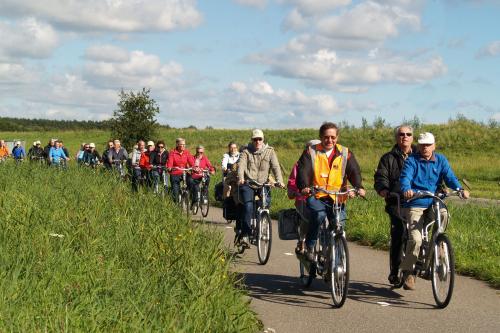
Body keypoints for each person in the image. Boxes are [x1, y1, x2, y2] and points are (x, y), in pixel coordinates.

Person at [399, 132, 469, 290]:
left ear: (434, 146)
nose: (425, 148)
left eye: (428, 144)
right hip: (415, 202)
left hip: (434, 201)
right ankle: (409, 272)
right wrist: (407, 189)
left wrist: (459, 189)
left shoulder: (441, 160)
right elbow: (405, 178)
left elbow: (449, 177)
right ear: (419, 146)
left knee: (444, 214)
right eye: (423, 145)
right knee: (416, 239)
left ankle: (438, 244)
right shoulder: (412, 161)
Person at [296, 122, 366, 262]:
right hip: (317, 195)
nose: (330, 140)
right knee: (319, 215)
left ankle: (331, 255)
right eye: (326, 137)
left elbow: (354, 171)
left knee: (338, 224)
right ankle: (310, 245)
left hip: (337, 197)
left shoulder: (345, 152)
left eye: (333, 137)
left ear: (337, 137)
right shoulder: (311, 151)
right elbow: (304, 170)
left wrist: (359, 187)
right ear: (321, 137)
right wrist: (305, 186)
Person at [374, 125, 416, 285]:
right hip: (396, 201)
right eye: (401, 134)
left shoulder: (420, 155)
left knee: (421, 231)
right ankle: (396, 269)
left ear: (412, 137)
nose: (404, 136)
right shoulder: (388, 158)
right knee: (400, 231)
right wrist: (384, 190)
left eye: (408, 134)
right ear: (396, 137)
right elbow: (381, 177)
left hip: (417, 201)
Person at [237, 129, 284, 248]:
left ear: (263, 140)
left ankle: (261, 227)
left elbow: (276, 167)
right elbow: (241, 165)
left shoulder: (270, 151)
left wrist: (280, 181)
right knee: (248, 206)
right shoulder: (246, 152)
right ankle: (246, 234)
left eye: (259, 139)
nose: (257, 141)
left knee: (264, 205)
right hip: (248, 183)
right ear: (252, 140)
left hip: (263, 184)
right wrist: (241, 178)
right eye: (255, 139)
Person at [287, 139, 321, 255]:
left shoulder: (324, 162)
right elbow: (293, 181)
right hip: (303, 198)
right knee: (307, 219)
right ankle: (302, 240)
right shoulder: (299, 164)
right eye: (314, 148)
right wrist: (297, 191)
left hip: (321, 197)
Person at [167, 138, 195, 203]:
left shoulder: (186, 152)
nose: (183, 146)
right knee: (175, 190)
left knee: (191, 180)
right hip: (175, 172)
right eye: (181, 144)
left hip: (184, 172)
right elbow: (170, 162)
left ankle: (188, 194)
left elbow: (191, 161)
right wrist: (170, 167)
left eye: (184, 144)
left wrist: (194, 167)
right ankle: (176, 204)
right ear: (177, 145)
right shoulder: (172, 152)